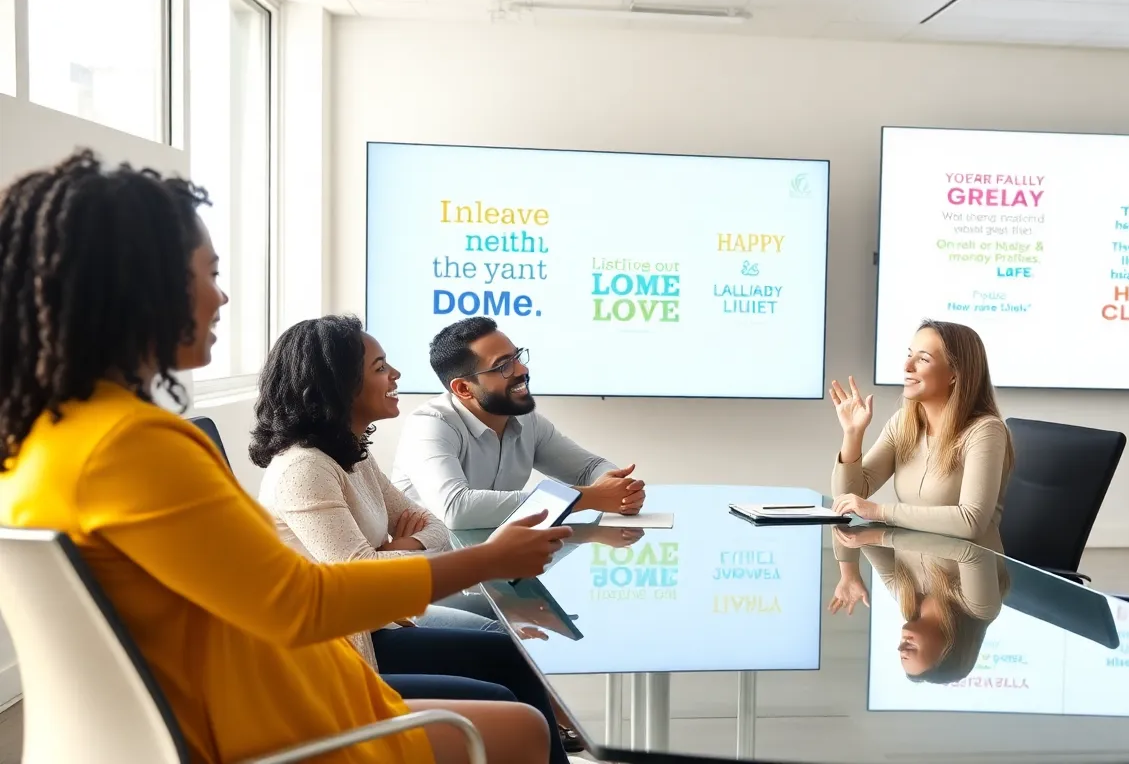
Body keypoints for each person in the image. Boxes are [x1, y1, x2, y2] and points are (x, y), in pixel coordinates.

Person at [0, 150, 568, 764]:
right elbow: (304, 603)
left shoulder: (44, 443)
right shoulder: (134, 447)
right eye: (209, 273)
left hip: (252, 701)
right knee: (525, 730)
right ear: (145, 286)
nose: (220, 298)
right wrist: (489, 558)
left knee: (506, 698)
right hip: (284, 721)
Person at [250, 314, 580, 758]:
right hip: (339, 660)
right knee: (504, 699)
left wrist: (395, 549)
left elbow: (436, 529)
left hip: (375, 628)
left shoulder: (351, 455)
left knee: (509, 654)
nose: (396, 375)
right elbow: (360, 577)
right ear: (338, 385)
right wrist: (381, 555)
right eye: (380, 367)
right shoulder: (304, 469)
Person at [828, 320, 1014, 618]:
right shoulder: (904, 422)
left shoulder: (984, 431)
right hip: (917, 547)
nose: (907, 365)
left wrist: (877, 513)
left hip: (974, 560)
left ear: (955, 374)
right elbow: (850, 499)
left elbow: (971, 522)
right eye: (909, 354)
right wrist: (852, 435)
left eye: (923, 359)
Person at [391, 316, 646, 529]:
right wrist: (587, 497)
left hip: (495, 560)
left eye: (517, 357)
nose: (521, 370)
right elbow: (457, 509)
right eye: (503, 366)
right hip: (432, 571)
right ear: (463, 388)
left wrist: (620, 491)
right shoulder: (429, 425)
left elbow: (589, 468)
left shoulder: (526, 421)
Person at [831, 525, 1008, 684]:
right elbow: (971, 554)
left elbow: (857, 530)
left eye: (900, 648)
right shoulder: (980, 609)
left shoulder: (903, 595)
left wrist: (849, 573)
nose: (900, 645)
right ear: (949, 650)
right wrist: (881, 537)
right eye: (909, 648)